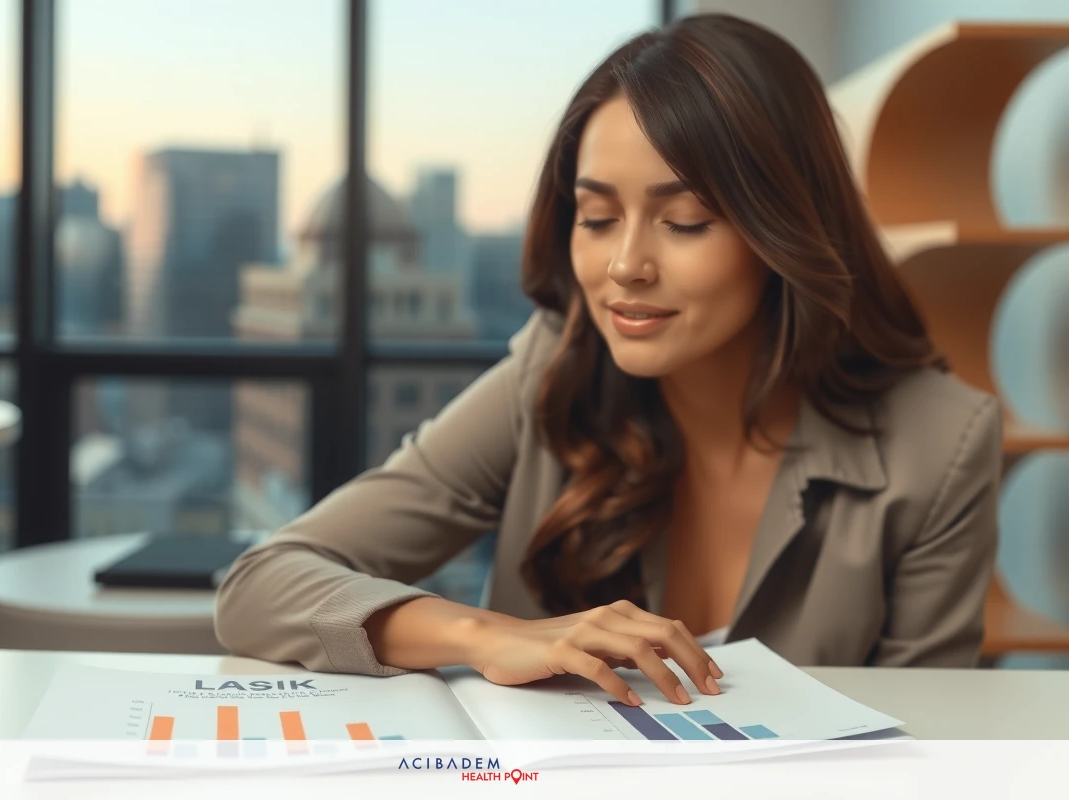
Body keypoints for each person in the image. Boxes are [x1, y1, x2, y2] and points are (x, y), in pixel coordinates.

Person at [215, 13, 1002, 709]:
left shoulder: (940, 446)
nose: (625, 265)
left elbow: (928, 742)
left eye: (685, 220)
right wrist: (490, 636)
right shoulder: (552, 372)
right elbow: (263, 585)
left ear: (784, 228)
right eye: (596, 216)